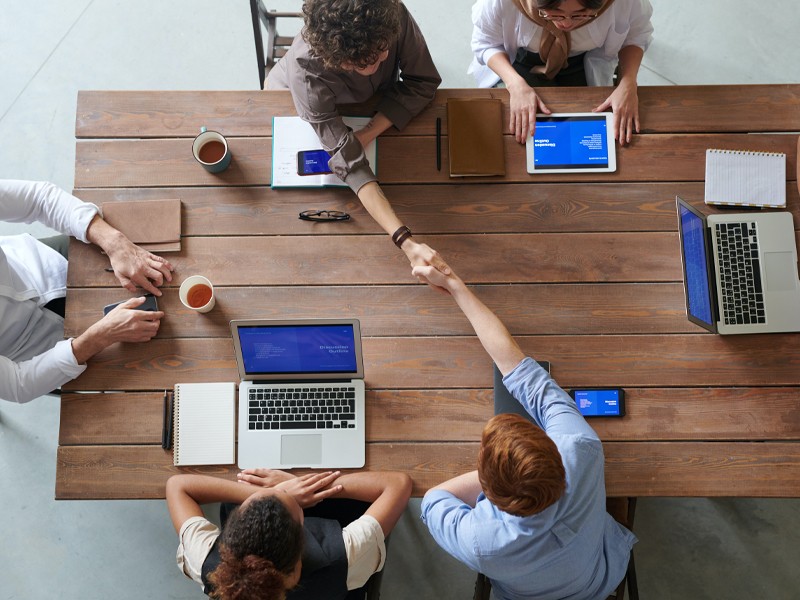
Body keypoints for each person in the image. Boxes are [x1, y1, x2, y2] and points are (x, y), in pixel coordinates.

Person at [413, 260, 636, 599]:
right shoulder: (579, 447)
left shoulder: (480, 541)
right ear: (554, 454)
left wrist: (453, 283)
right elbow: (523, 373)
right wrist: (455, 284)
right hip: (598, 579)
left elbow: (431, 502)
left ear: (485, 491)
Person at [266, 0, 449, 283]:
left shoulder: (389, 14)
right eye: (374, 59)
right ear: (341, 62)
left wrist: (367, 133)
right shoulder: (306, 71)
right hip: (301, 99)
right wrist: (405, 241)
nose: (387, 55)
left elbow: (422, 81)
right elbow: (349, 163)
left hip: (370, 103)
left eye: (385, 47)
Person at [0, 179, 173, 404]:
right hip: (48, 352)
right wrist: (102, 336)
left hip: (45, 261)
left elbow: (39, 199)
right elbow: (18, 384)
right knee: (142, 378)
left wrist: (114, 242)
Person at [166, 468, 412, 599]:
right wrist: (307, 486)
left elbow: (177, 486)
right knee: (354, 506)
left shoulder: (207, 563)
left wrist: (280, 493)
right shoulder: (345, 557)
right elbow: (398, 483)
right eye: (299, 512)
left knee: (232, 497)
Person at [470, 0, 653, 144]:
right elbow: (486, 43)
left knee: (587, 129)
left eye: (580, 15)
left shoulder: (624, 2)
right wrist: (515, 84)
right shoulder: (501, 2)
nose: (566, 24)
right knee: (525, 131)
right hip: (523, 60)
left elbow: (635, 37)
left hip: (582, 59)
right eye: (555, 15)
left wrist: (628, 82)